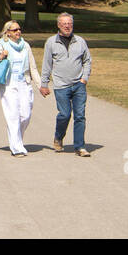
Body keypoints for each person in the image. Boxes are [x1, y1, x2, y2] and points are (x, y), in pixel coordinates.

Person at [0, 20, 44, 155]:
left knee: (25, 115)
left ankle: (18, 140)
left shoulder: (25, 46)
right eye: (14, 30)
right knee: (13, 115)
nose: (18, 32)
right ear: (7, 33)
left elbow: (32, 67)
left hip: (24, 83)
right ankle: (16, 148)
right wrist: (1, 56)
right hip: (9, 84)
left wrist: (40, 85)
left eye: (19, 29)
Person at [39, 12, 92, 156]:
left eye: (70, 23)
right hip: (61, 85)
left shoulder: (80, 41)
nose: (67, 26)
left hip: (79, 84)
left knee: (80, 115)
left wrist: (84, 78)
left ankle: (80, 147)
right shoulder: (51, 42)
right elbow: (47, 64)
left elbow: (87, 60)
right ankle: (58, 137)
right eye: (64, 24)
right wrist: (44, 84)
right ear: (58, 25)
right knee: (64, 114)